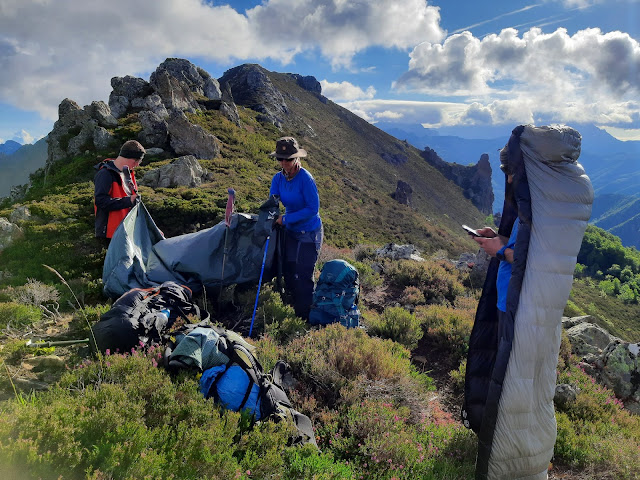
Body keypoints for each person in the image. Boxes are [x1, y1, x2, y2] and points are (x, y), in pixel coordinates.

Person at [461, 125, 593, 480]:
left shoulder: (547, 194)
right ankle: (497, 437)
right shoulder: (556, 191)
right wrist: (500, 237)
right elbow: (527, 240)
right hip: (523, 301)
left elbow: (535, 256)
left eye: (513, 171)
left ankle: (515, 460)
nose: (511, 178)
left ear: (528, 164)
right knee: (523, 376)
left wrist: (500, 250)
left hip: (523, 307)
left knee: (518, 378)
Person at [269, 136, 323, 320]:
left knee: (303, 275)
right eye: (280, 159)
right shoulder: (277, 179)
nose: (284, 163)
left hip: (308, 232)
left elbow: (312, 209)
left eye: (289, 159)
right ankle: (291, 310)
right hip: (290, 231)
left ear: (297, 158)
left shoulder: (306, 179)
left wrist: (286, 219)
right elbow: (272, 202)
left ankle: (305, 317)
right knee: (289, 271)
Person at [94, 140, 145, 241]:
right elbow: (100, 201)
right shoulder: (105, 174)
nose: (137, 165)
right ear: (129, 157)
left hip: (126, 231)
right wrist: (128, 201)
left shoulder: (128, 174)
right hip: (110, 233)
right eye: (137, 161)